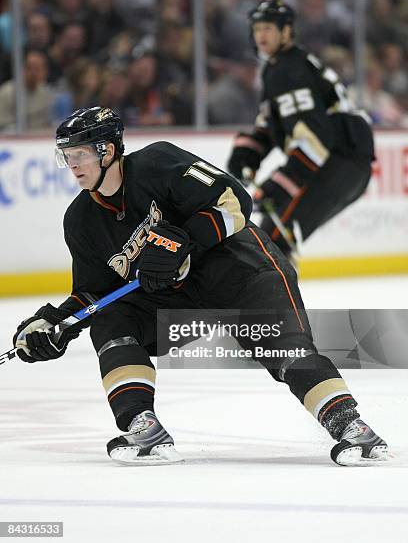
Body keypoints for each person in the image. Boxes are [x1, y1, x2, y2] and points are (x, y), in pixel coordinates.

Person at [12, 107, 387, 466]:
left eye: (79, 154)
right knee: (112, 321)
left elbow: (234, 200)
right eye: (67, 156)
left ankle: (351, 426)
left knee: (285, 349)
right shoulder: (80, 220)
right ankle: (143, 427)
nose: (73, 165)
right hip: (180, 300)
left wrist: (183, 242)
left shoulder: (157, 163)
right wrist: (56, 322)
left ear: (107, 150)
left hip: (242, 273)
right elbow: (96, 292)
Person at [227, 0, 375, 259]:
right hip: (348, 163)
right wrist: (249, 152)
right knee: (275, 239)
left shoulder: (288, 70)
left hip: (338, 162)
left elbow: (315, 138)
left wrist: (282, 183)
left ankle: (272, 299)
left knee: (272, 242)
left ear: (286, 31)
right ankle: (275, 297)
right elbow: (274, 122)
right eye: (257, 28)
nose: (261, 35)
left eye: (269, 28)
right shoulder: (284, 67)